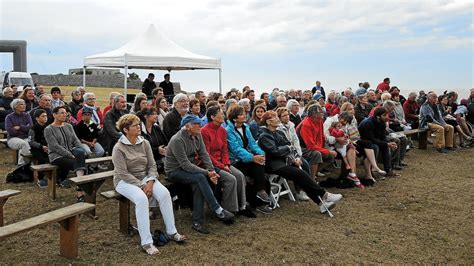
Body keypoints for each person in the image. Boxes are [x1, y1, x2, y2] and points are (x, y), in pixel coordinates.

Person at [113, 114, 186, 255]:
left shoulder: (144, 142)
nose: (138, 127)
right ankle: (146, 242)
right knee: (141, 199)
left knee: (164, 193)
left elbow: (152, 165)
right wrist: (142, 185)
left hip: (146, 178)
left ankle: (172, 231)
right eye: (135, 125)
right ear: (126, 130)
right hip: (124, 181)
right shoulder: (118, 148)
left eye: (138, 124)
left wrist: (150, 181)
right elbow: (122, 173)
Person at [258, 111, 343, 213]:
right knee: (300, 174)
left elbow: (291, 147)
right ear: (268, 121)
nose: (277, 119)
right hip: (274, 165)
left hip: (285, 161)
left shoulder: (279, 132)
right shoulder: (264, 136)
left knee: (303, 175)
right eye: (275, 117)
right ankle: (324, 195)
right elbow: (275, 151)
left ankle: (321, 203)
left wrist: (296, 157)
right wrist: (287, 148)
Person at [165, 114, 235, 234]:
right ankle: (216, 208)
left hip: (189, 169)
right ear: (187, 126)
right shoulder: (178, 140)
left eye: (199, 123)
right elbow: (185, 165)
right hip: (174, 171)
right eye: (196, 124)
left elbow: (204, 154)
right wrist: (208, 173)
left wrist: (211, 170)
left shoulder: (197, 135)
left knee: (198, 181)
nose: (200, 126)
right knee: (200, 177)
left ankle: (197, 222)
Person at [201, 106, 255, 218]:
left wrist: (226, 163)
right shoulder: (204, 131)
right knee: (231, 179)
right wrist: (221, 166)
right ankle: (229, 210)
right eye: (221, 113)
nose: (223, 116)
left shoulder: (222, 130)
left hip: (223, 163)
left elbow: (225, 149)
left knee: (240, 176)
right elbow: (206, 154)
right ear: (212, 117)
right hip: (211, 164)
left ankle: (242, 206)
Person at [226, 105, 271, 214]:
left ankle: (261, 195)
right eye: (241, 114)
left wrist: (261, 154)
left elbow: (252, 144)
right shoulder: (228, 131)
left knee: (259, 165)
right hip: (235, 161)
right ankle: (260, 197)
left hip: (246, 159)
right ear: (234, 118)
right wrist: (252, 158)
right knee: (257, 167)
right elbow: (236, 149)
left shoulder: (245, 127)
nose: (245, 115)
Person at [44, 106, 87, 187]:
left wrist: (81, 149)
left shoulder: (69, 126)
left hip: (70, 152)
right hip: (56, 156)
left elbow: (75, 140)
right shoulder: (48, 129)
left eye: (65, 113)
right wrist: (69, 155)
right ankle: (79, 186)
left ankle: (78, 185)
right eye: (62, 113)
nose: (65, 115)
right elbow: (54, 146)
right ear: (54, 115)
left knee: (81, 154)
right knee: (79, 164)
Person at [297, 104, 337, 180]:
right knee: (316, 154)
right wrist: (326, 151)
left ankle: (310, 174)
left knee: (331, 157)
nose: (321, 118)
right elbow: (310, 146)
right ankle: (311, 179)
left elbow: (321, 137)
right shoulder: (306, 124)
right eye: (318, 116)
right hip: (302, 148)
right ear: (312, 116)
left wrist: (325, 149)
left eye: (321, 116)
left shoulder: (319, 120)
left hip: (313, 146)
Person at [358, 107, 400, 177]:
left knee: (385, 146)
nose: (387, 117)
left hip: (373, 139)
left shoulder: (382, 122)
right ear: (378, 116)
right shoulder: (368, 123)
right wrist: (387, 144)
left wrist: (388, 144)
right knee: (375, 147)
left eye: (387, 115)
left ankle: (388, 170)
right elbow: (372, 139)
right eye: (384, 115)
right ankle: (372, 171)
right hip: (364, 141)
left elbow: (382, 136)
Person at [137, 107, 168, 173]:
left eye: (156, 114)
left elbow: (165, 142)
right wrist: (157, 150)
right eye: (154, 114)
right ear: (146, 116)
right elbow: (142, 148)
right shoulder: (139, 130)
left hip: (161, 158)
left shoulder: (156, 128)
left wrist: (164, 148)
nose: (156, 116)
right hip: (147, 161)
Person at [5, 99, 33, 165]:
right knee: (24, 144)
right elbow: (11, 131)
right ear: (15, 106)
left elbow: (31, 127)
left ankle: (25, 166)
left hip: (26, 137)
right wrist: (25, 127)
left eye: (24, 104)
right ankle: (22, 165)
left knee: (26, 145)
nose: (24, 106)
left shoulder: (27, 115)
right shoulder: (9, 117)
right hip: (13, 138)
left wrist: (20, 127)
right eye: (21, 104)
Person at [28, 109, 50, 188]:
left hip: (47, 147)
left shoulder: (48, 127)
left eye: (46, 116)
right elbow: (31, 142)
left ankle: (52, 177)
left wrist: (48, 146)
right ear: (37, 118)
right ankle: (40, 178)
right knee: (42, 159)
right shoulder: (33, 128)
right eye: (43, 116)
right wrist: (41, 147)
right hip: (36, 148)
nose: (45, 118)